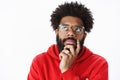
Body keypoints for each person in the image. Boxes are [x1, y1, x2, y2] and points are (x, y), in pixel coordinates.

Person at [27, 1, 108, 80]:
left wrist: (66, 70)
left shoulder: (98, 64)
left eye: (77, 29)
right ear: (57, 32)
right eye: (65, 28)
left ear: (84, 35)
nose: (71, 33)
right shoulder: (40, 62)